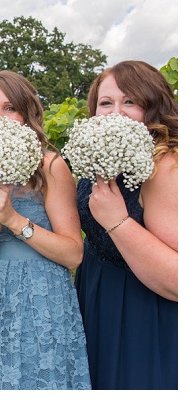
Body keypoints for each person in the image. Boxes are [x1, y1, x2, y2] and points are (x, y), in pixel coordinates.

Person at [0, 70, 91, 389]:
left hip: (42, 298)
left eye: (9, 107)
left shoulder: (50, 167)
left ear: (26, 113)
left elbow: (73, 254)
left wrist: (14, 220)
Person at [74, 60, 178, 389]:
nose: (116, 112)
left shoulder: (166, 166)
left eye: (130, 101)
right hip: (94, 292)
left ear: (153, 107)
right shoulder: (100, 157)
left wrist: (117, 220)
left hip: (143, 313)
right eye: (106, 103)